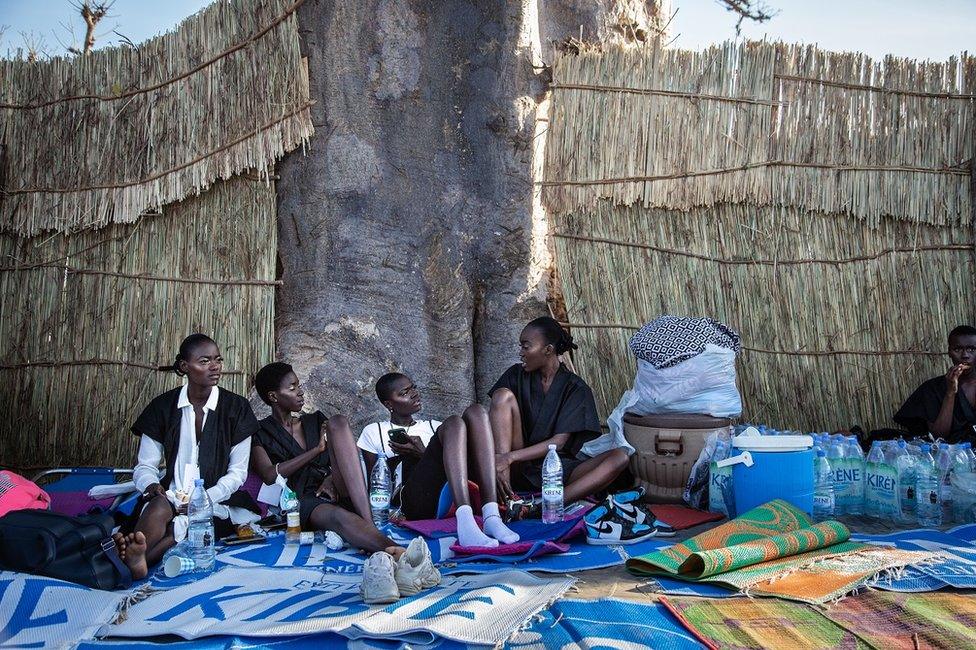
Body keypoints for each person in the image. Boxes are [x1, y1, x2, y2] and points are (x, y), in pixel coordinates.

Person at [126, 334, 261, 578]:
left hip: (217, 498)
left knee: (188, 526)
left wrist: (202, 501)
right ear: (185, 367)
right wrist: (151, 485)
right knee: (159, 508)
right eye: (205, 361)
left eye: (217, 359)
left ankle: (138, 559)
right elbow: (145, 466)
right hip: (171, 494)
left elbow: (237, 474)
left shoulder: (236, 408)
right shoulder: (162, 407)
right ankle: (140, 557)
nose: (215, 366)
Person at [251, 362, 404, 557]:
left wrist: (331, 478)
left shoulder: (314, 420)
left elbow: (341, 458)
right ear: (273, 396)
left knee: (337, 421)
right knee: (340, 517)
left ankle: (368, 522)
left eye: (298, 385)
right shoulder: (260, 431)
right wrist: (316, 451)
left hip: (339, 486)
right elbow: (269, 475)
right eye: (292, 388)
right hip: (302, 498)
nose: (300, 392)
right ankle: (396, 551)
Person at [359, 373, 520, 548]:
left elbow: (461, 467)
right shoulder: (374, 431)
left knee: (476, 411)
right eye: (405, 393)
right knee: (454, 423)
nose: (414, 394)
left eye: (414, 387)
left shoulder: (434, 427)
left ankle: (491, 516)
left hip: (443, 495)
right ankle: (466, 523)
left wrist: (423, 452)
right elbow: (374, 485)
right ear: (389, 404)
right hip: (410, 503)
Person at [489, 317, 630, 503]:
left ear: (548, 350)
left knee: (620, 457)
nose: (521, 353)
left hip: (557, 470)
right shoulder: (515, 375)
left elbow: (559, 442)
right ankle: (504, 495)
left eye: (526, 346)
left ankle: (549, 504)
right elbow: (498, 422)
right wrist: (505, 460)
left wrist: (509, 457)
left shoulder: (575, 388)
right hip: (517, 466)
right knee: (502, 396)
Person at [895, 325, 976, 443]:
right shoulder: (932, 388)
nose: (965, 355)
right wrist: (950, 392)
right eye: (957, 349)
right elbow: (938, 437)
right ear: (949, 352)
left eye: (971, 349)